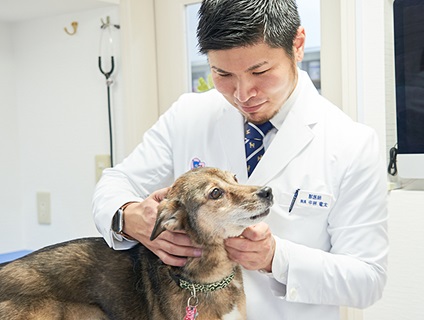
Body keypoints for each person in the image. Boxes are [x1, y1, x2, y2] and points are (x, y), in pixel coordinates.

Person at [93, 0, 389, 319]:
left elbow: (367, 280)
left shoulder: (352, 143)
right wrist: (127, 217)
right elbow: (115, 183)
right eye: (223, 74)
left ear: (298, 45)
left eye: (259, 71)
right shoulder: (188, 115)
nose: (243, 94)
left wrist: (275, 258)